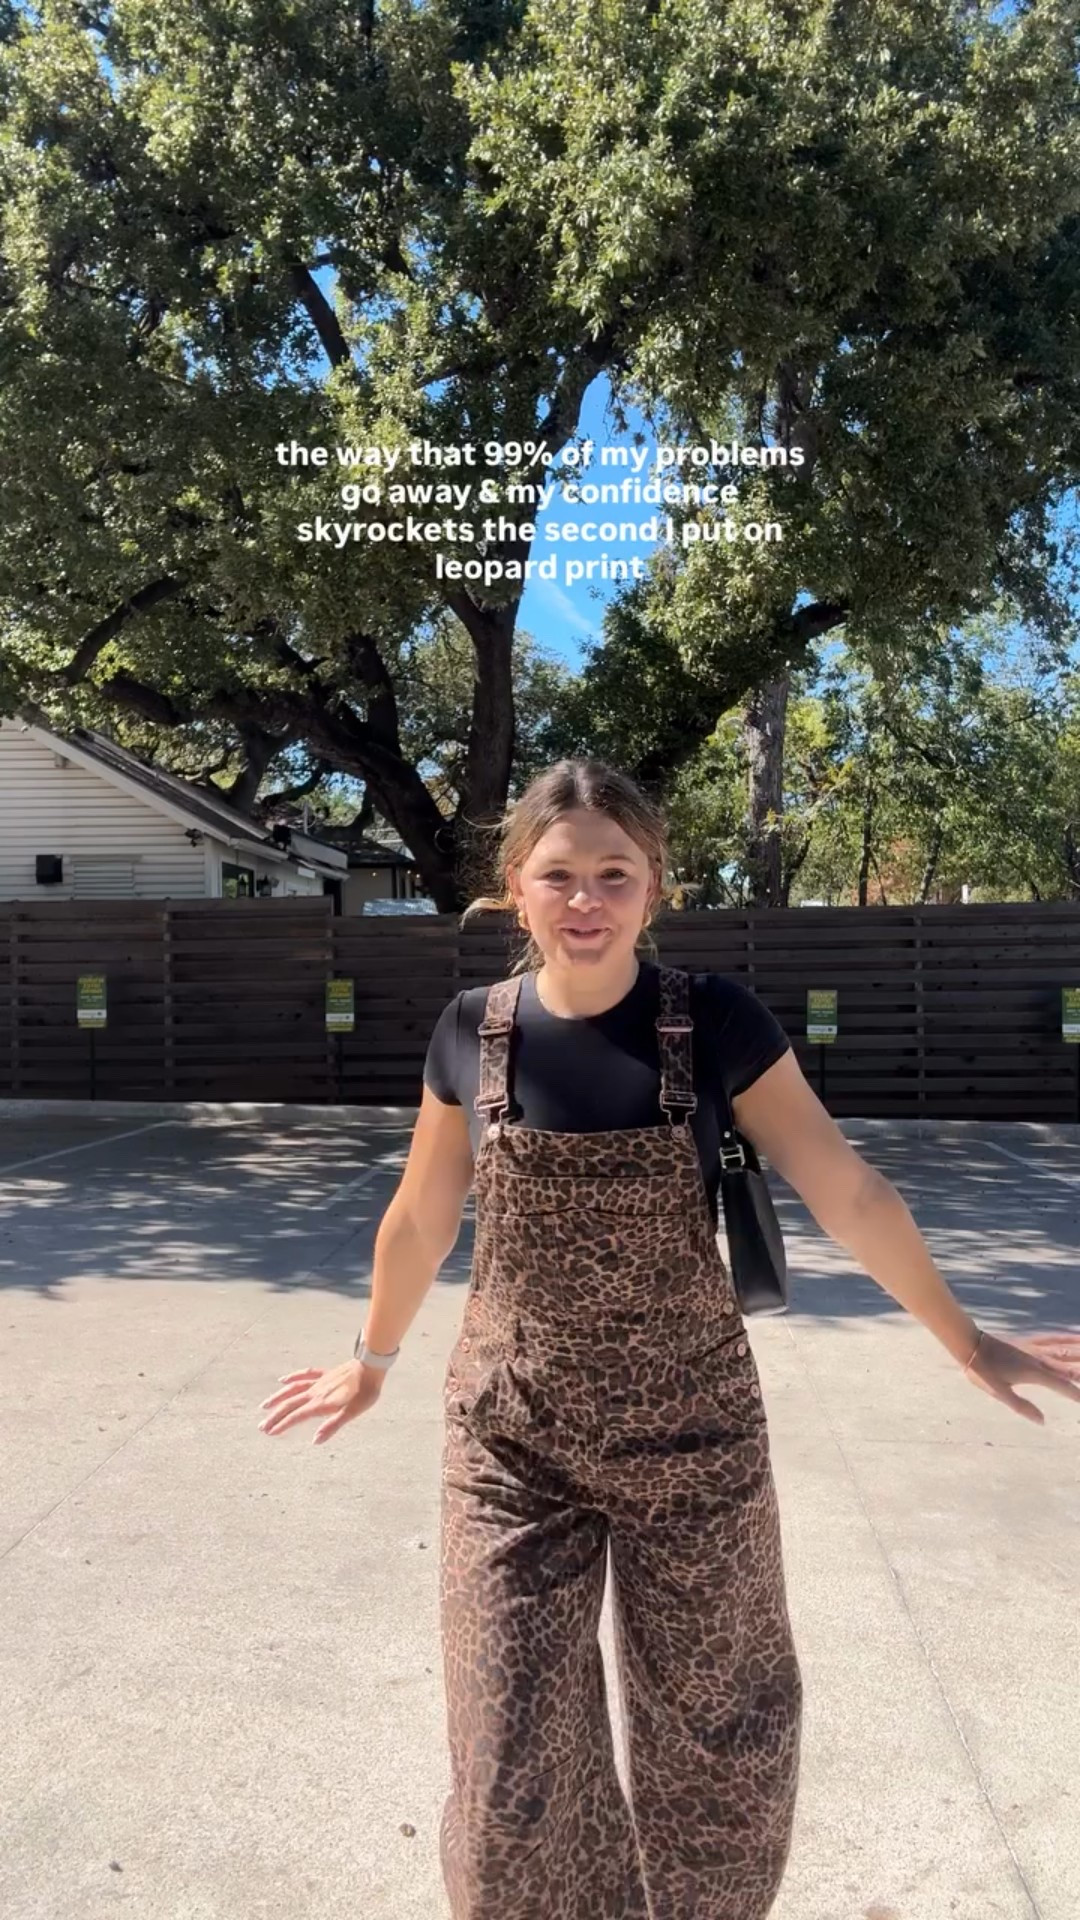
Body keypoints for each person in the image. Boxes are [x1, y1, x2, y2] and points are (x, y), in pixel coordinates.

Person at [257, 756, 1080, 1920]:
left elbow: (847, 1189)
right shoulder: (471, 1032)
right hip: (511, 1442)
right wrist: (372, 1360)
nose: (586, 899)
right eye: (560, 875)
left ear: (654, 885)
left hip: (694, 1439)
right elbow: (422, 1216)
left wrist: (966, 1339)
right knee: (506, 1762)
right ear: (515, 885)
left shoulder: (717, 1021)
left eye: (615, 874)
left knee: (719, 1732)